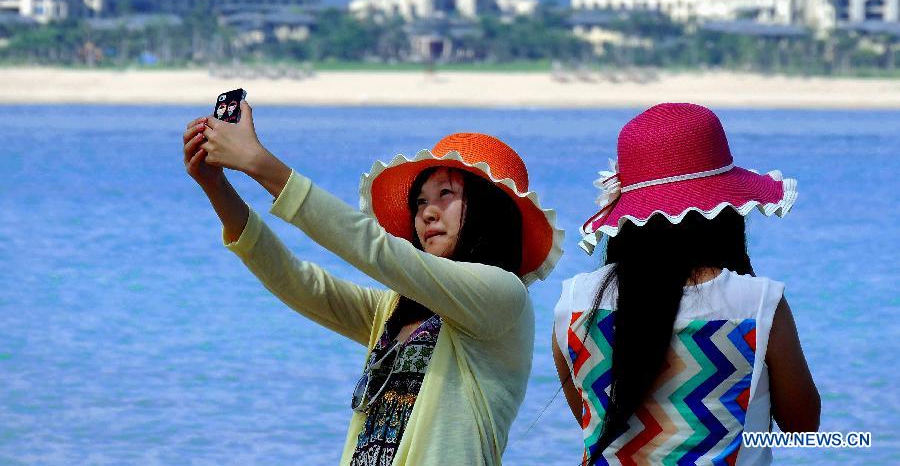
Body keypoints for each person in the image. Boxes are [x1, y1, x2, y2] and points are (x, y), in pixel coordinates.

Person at [182, 102, 563, 465]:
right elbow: (301, 283)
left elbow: (376, 250)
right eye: (419, 202)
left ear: (487, 208)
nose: (427, 212)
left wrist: (260, 165)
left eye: (445, 194)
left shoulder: (503, 295)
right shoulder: (398, 308)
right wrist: (217, 188)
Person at [552, 103, 819, 465]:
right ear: (725, 210)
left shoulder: (574, 302)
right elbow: (803, 426)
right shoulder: (757, 303)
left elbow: (590, 418)